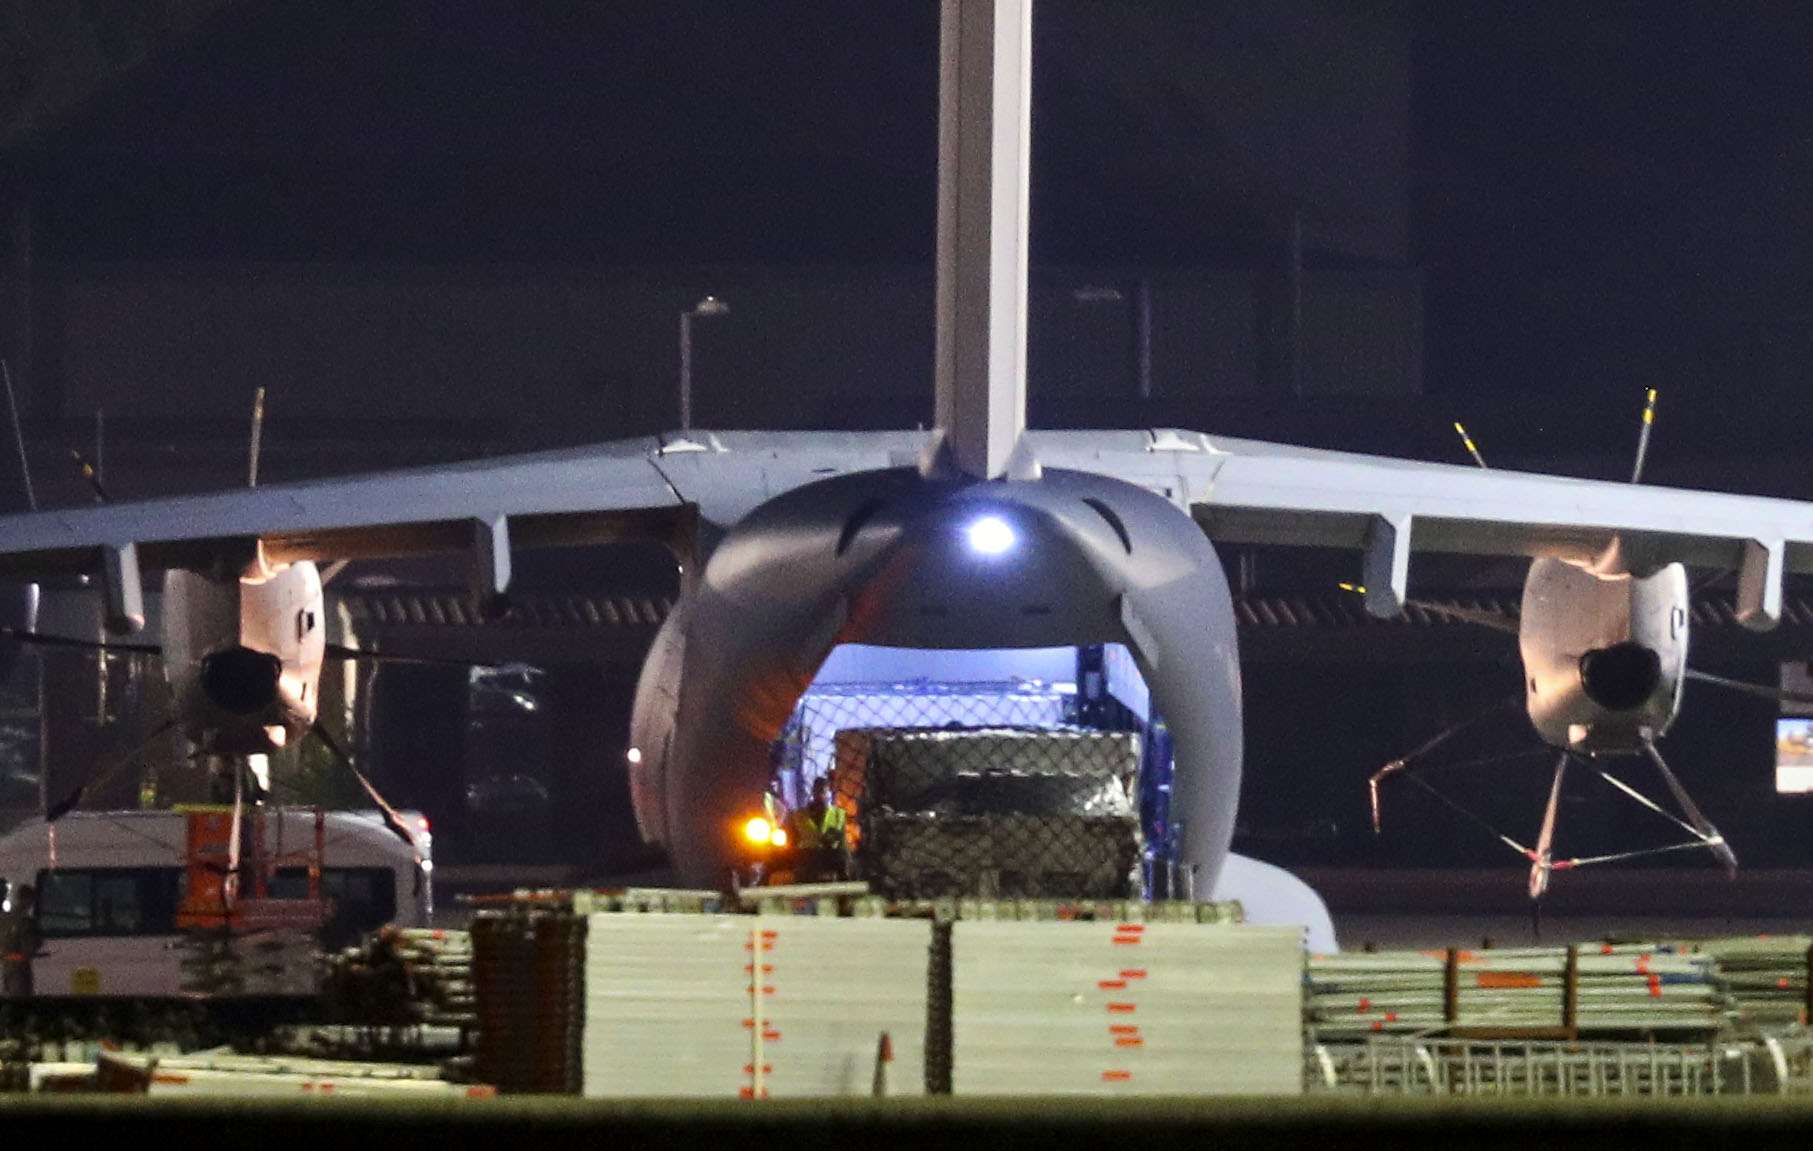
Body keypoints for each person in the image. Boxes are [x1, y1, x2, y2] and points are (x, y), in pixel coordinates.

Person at [789, 777, 850, 882]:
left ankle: (844, 892)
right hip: (807, 856)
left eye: (823, 791)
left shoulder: (838, 814)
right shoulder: (799, 815)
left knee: (843, 857)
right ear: (813, 792)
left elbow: (842, 843)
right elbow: (792, 841)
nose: (820, 794)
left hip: (830, 854)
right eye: (817, 791)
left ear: (829, 792)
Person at [1, 883, 36, 998]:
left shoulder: (5, 918)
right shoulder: (25, 921)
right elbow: (29, 947)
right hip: (20, 969)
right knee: (21, 1002)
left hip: (7, 967)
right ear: (27, 899)